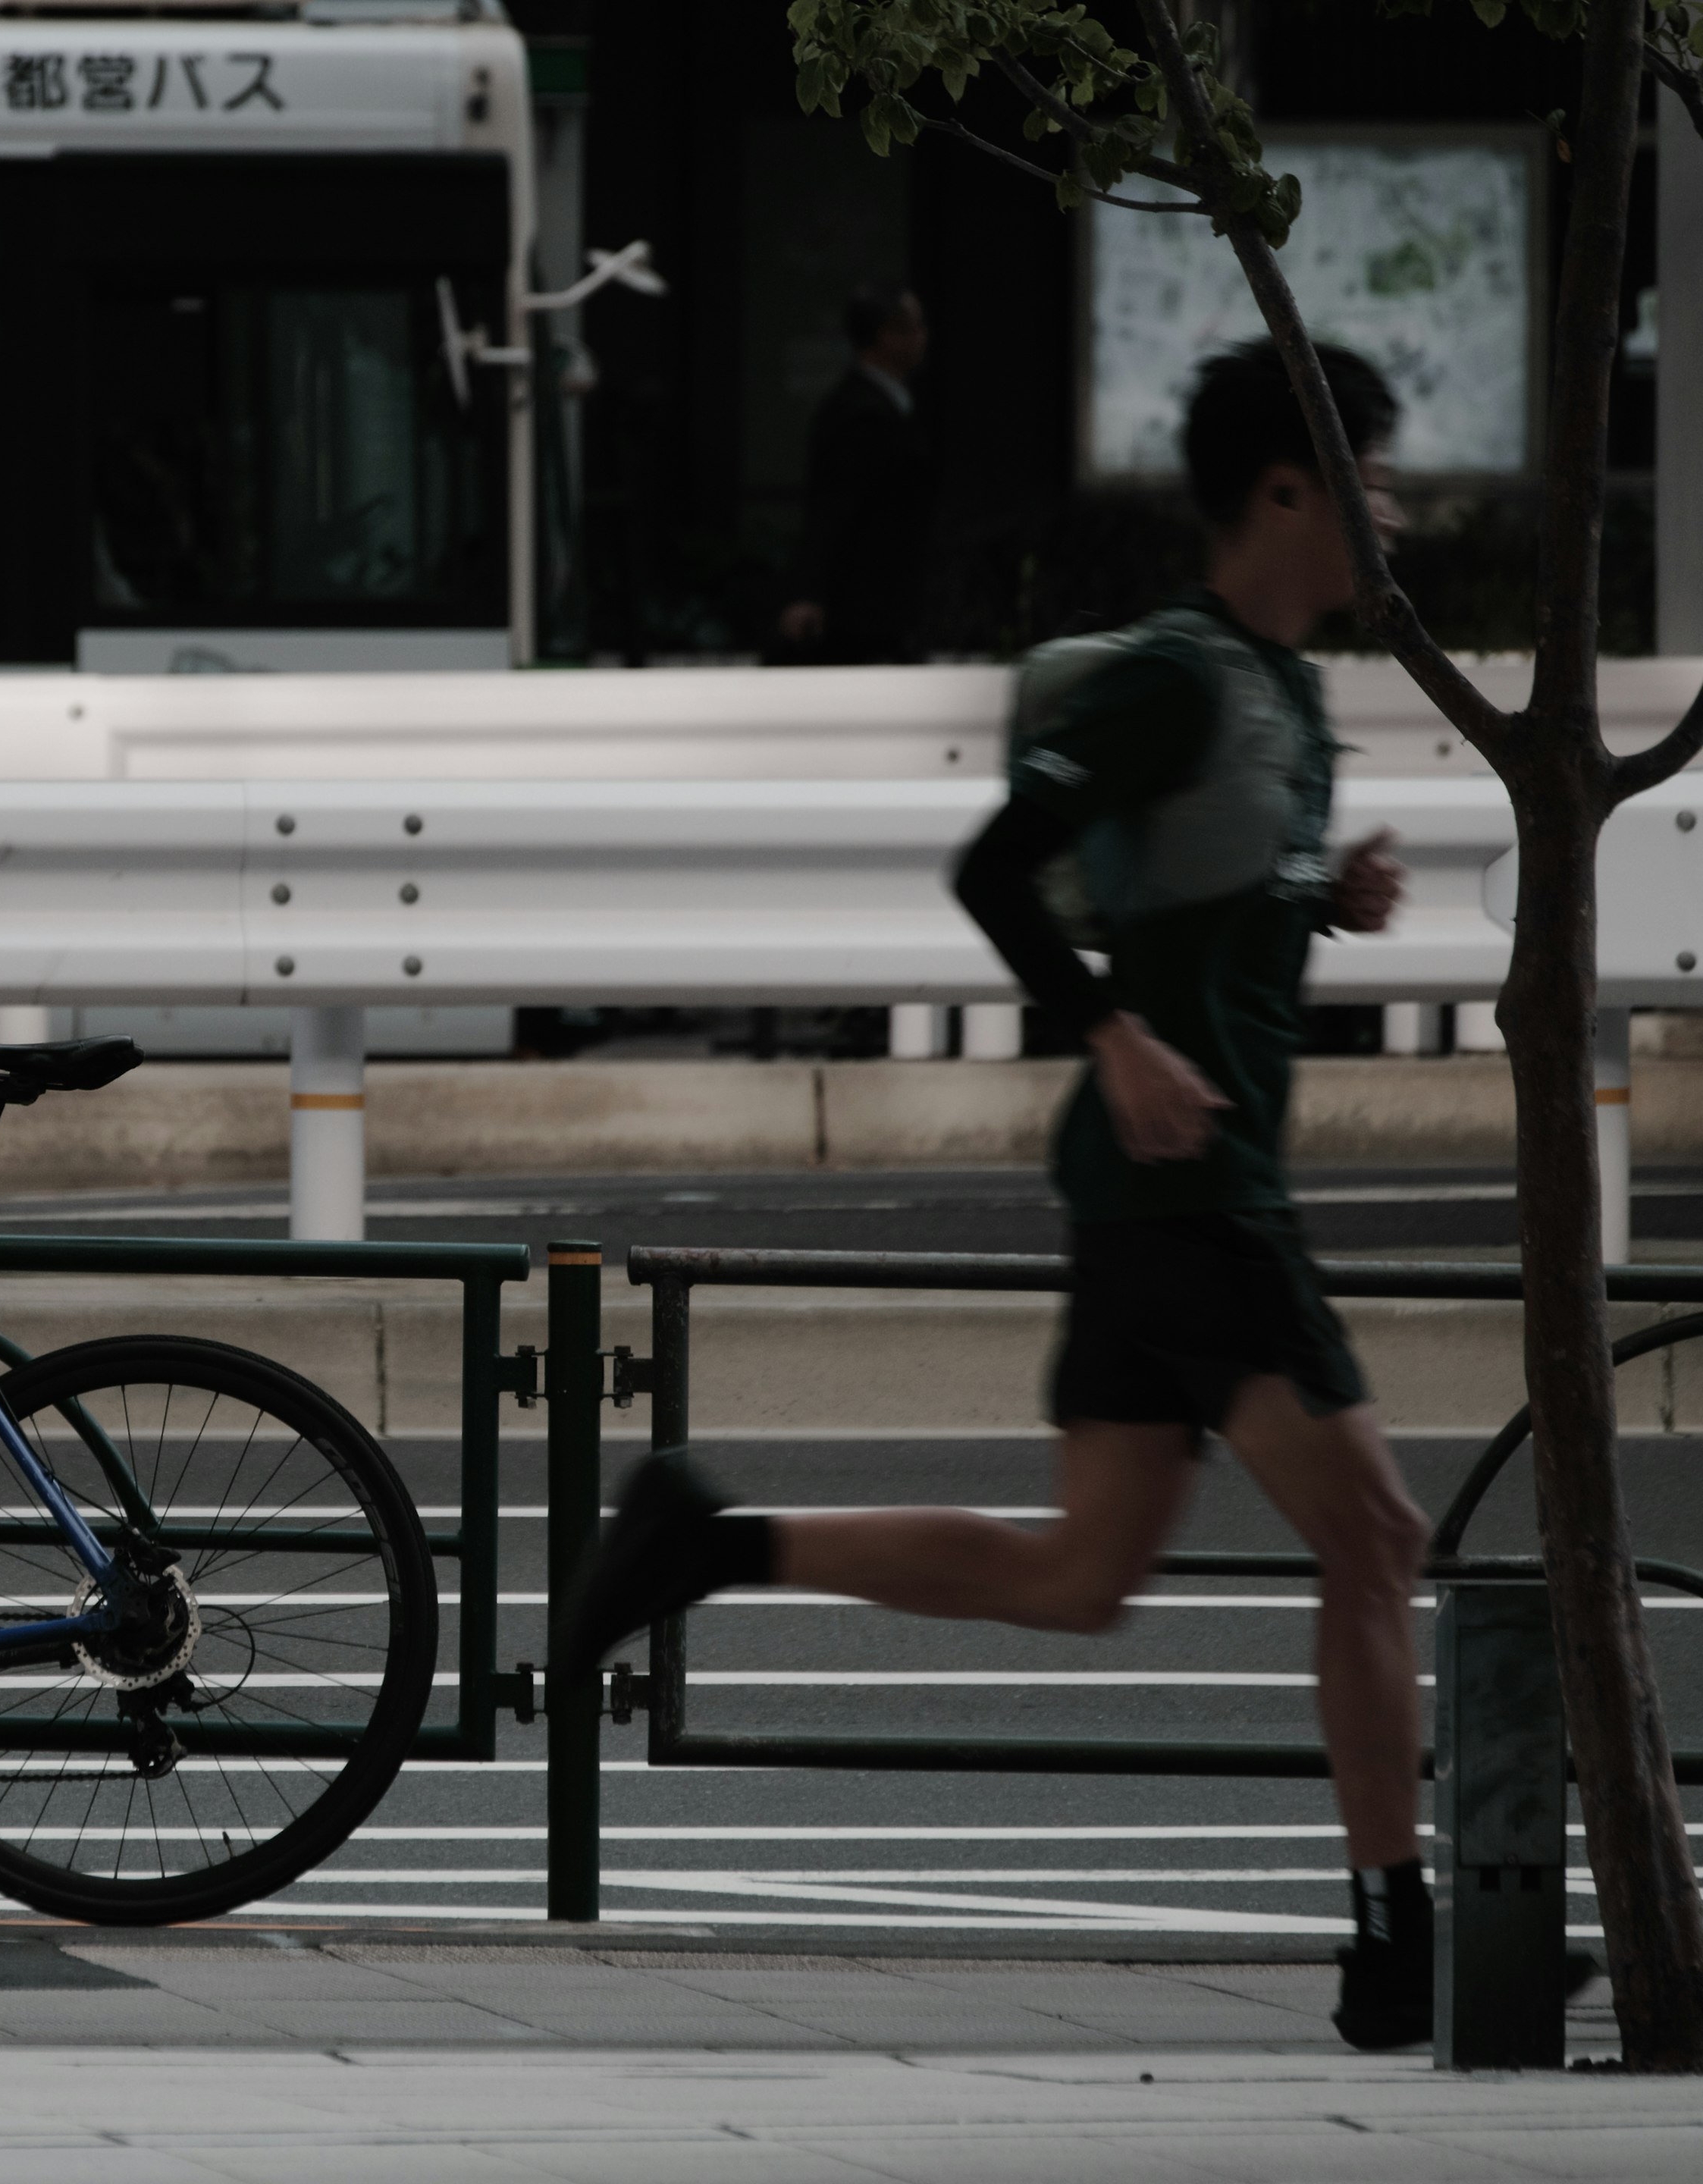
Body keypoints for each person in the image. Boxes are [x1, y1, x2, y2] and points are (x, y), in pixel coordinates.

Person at [569, 337, 1463, 2051]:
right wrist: (1113, 1031)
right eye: (1374, 476)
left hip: (1172, 1195)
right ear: (1287, 490)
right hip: (1195, 1190)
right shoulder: (1179, 679)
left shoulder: (1282, 694)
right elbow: (990, 867)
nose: (1396, 512)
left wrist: (1318, 901)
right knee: (1377, 1536)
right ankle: (1394, 1937)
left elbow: (1206, 883)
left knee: (1077, 1580)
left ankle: (710, 1537)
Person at [774, 283, 935, 664]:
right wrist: (809, 593)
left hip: (884, 602)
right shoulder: (857, 413)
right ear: (886, 335)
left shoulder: (884, 405)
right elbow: (832, 506)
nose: (923, 337)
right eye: (914, 327)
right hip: (865, 609)